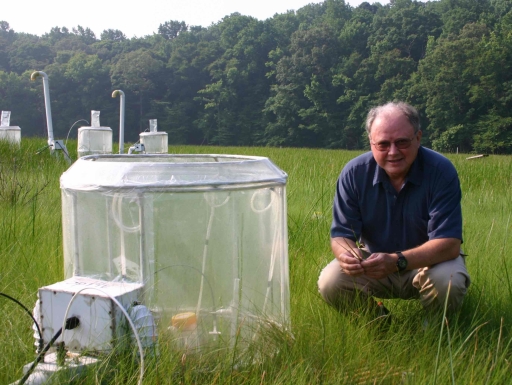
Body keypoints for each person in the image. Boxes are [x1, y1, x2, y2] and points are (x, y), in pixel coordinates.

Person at [318, 101, 470, 316]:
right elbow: (341, 235)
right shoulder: (354, 173)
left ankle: (433, 335)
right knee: (330, 281)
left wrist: (396, 261)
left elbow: (449, 245)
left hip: (429, 264)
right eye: (383, 144)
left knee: (448, 280)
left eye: (402, 142)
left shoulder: (440, 171)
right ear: (371, 143)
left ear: (418, 138)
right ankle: (379, 322)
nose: (393, 152)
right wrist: (348, 255)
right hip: (375, 262)